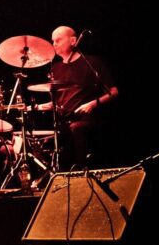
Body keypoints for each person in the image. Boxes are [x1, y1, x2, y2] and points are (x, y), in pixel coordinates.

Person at [50, 26, 118, 169]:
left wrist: (93, 104)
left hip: (88, 118)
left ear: (73, 41)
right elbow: (56, 101)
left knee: (77, 128)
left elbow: (114, 91)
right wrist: (36, 107)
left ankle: (83, 170)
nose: (54, 44)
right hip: (64, 121)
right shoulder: (55, 68)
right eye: (53, 41)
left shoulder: (92, 62)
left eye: (58, 40)